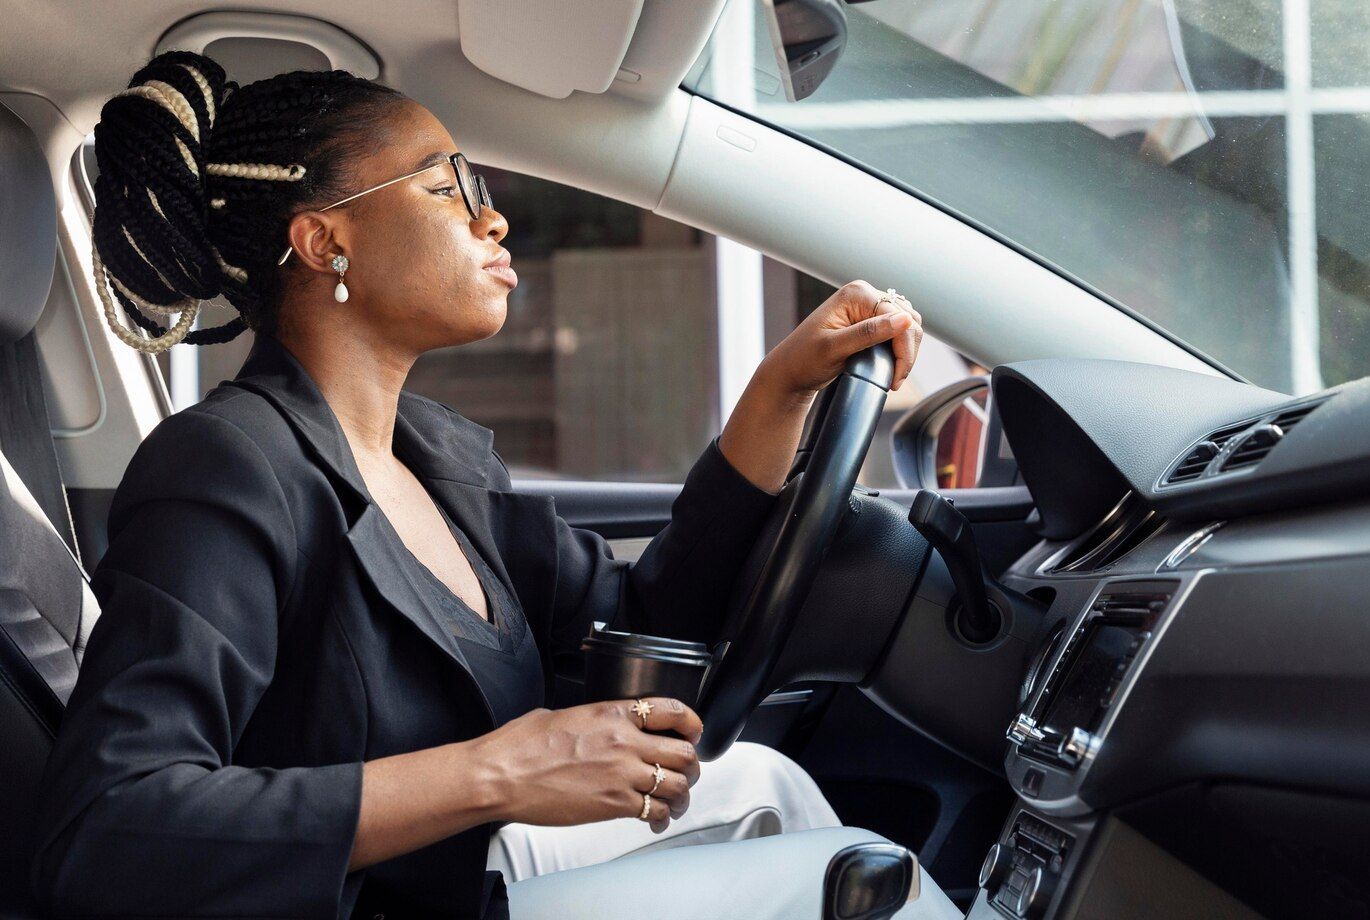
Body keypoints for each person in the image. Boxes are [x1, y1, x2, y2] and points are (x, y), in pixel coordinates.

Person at [31, 51, 956, 920]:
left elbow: (647, 624)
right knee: (860, 874)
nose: (494, 216)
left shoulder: (439, 456)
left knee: (769, 787)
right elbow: (108, 827)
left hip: (479, 869)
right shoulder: (225, 464)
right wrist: (496, 773)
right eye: (448, 186)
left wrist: (779, 393)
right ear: (323, 241)